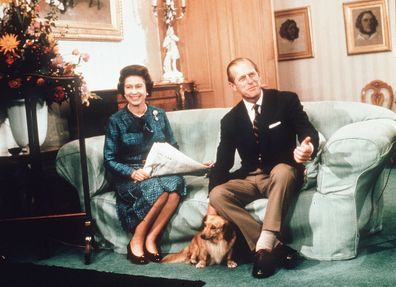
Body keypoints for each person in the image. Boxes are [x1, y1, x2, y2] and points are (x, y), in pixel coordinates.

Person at [207, 57, 319, 278]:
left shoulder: (285, 101)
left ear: (259, 75)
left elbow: (307, 131)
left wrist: (308, 148)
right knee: (218, 194)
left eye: (252, 74)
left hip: (283, 174)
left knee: (282, 170)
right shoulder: (230, 120)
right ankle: (276, 247)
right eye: (242, 78)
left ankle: (263, 246)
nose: (249, 81)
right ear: (233, 86)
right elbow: (223, 162)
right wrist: (211, 201)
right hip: (250, 178)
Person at [103, 65, 186, 265]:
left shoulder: (159, 114)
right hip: (129, 176)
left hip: (157, 170)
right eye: (129, 87)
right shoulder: (116, 120)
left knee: (176, 185)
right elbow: (109, 159)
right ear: (123, 91)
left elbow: (172, 146)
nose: (134, 92)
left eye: (138, 86)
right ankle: (136, 240)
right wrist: (131, 173)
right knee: (160, 190)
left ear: (147, 89)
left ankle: (151, 239)